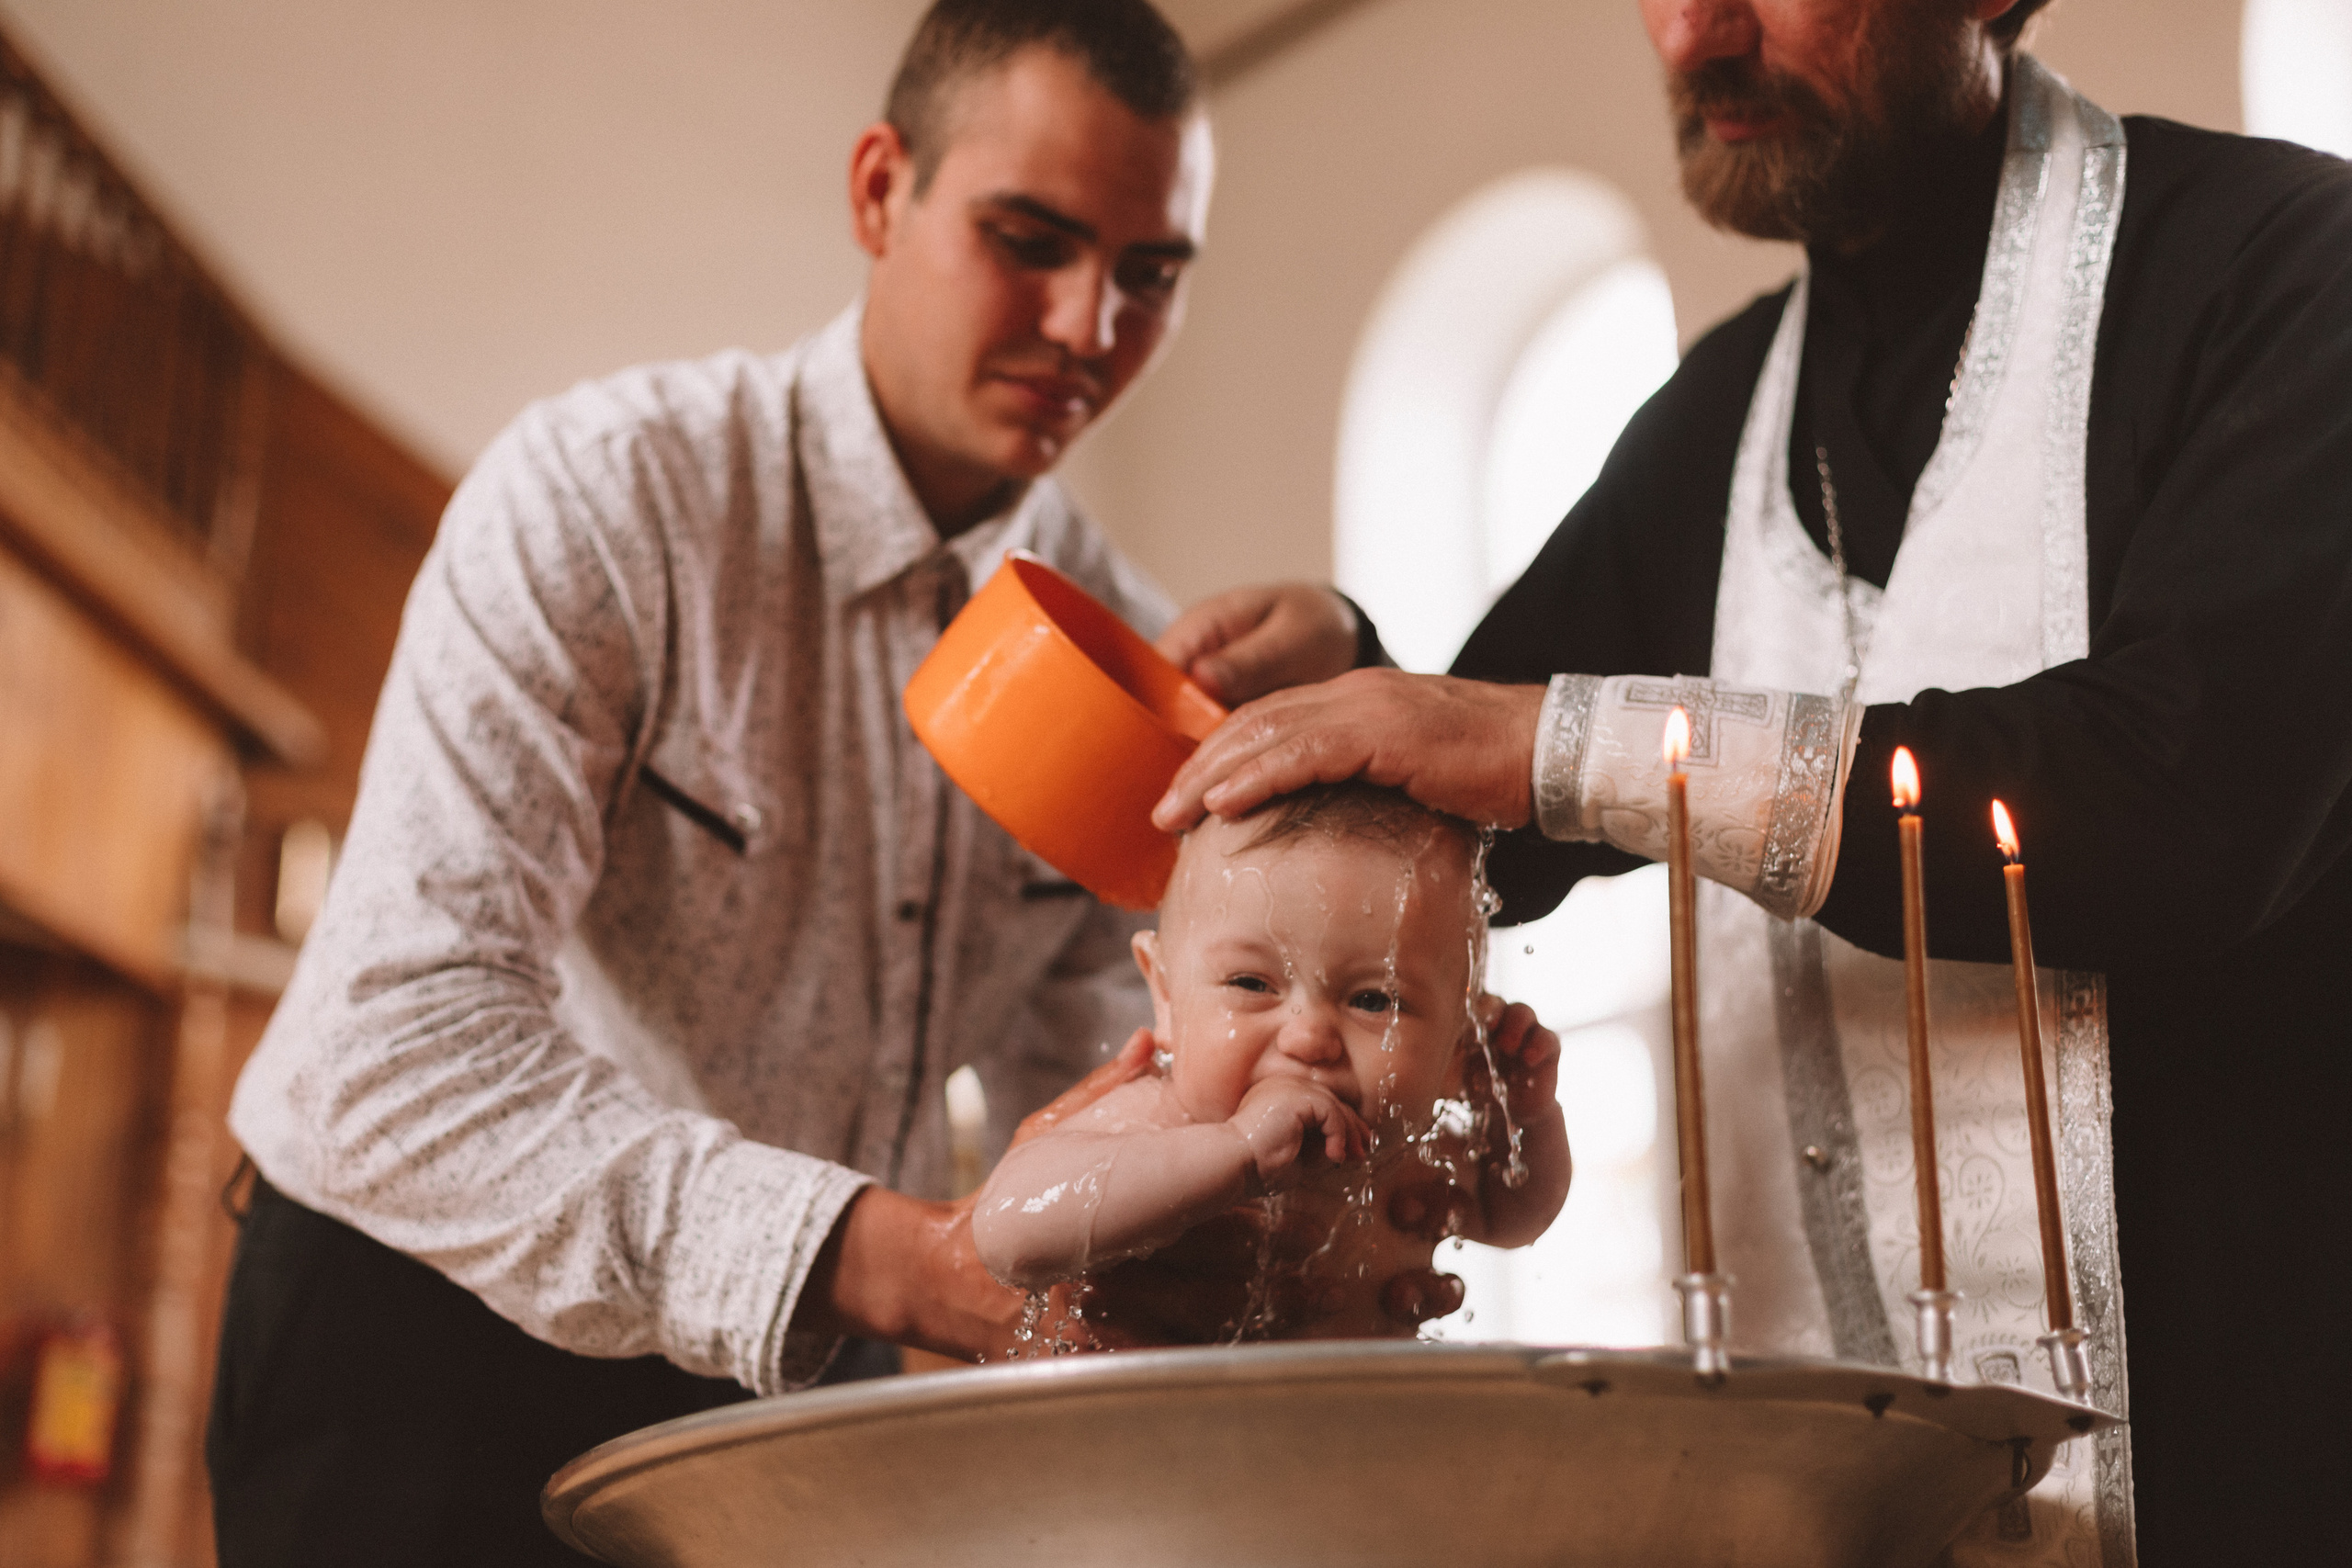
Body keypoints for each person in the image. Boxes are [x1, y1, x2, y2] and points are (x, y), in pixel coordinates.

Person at [206, 5, 1449, 1563]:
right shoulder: (604, 500)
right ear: (880, 191)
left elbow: (1098, 1062)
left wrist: (1268, 1239)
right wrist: (898, 1262)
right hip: (415, 1330)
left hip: (801, 1363)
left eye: (1149, 274)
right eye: (1031, 238)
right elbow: (397, 1044)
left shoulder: (1134, 643)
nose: (1087, 326)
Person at [1157, 0, 2352, 1560]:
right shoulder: (1710, 425)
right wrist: (1352, 664)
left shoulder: (2286, 268)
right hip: (1822, 1496)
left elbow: (2185, 799)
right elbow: (1465, 814)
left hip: (2255, 1460)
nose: (1689, 36)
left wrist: (1548, 743)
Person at [973, 783, 1569, 1337]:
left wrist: (1525, 1120)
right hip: (1172, 1447)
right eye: (1251, 983)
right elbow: (1007, 1231)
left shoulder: (1406, 1153)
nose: (1309, 1038)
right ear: (1166, 995)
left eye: (1373, 999)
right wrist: (1234, 1150)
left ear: (1456, 1043)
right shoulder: (1161, 1120)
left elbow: (1515, 1213)